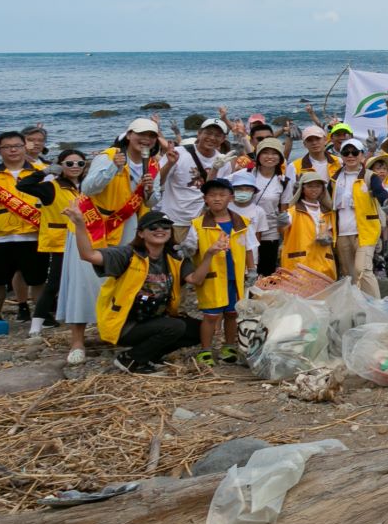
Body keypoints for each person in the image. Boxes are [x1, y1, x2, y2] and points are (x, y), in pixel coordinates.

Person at [64, 206, 196, 373]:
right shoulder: (127, 254)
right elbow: (88, 255)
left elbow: (195, 279)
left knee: (198, 330)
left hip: (155, 317)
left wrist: (210, 254)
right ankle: (130, 359)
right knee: (175, 327)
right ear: (141, 233)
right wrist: (80, 225)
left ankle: (149, 355)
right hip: (126, 324)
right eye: (153, 227)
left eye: (165, 227)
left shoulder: (176, 257)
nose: (160, 230)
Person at [181, 176, 253, 362]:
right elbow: (189, 248)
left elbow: (249, 247)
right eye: (212, 195)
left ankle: (229, 346)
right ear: (205, 199)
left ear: (231, 197)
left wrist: (252, 271)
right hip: (211, 277)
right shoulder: (198, 224)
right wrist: (187, 248)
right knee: (210, 315)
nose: (217, 199)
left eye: (222, 194)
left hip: (235, 276)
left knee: (232, 313)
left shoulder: (242, 222)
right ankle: (206, 350)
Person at [0, 129, 48, 324]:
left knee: (38, 279)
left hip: (33, 233)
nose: (12, 150)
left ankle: (42, 315)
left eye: (17, 146)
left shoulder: (39, 172)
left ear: (24, 147)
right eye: (7, 147)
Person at [22, 147, 86, 345]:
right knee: (54, 283)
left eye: (80, 163)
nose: (75, 167)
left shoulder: (89, 186)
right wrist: (45, 171)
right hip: (61, 240)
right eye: (69, 163)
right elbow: (23, 186)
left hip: (86, 240)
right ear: (61, 165)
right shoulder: (51, 187)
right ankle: (36, 325)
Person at [81, 118, 173, 247]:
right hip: (98, 221)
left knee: (124, 262)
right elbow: (87, 189)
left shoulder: (152, 165)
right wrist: (112, 168)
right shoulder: (109, 156)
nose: (146, 139)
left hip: (129, 221)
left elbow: (152, 202)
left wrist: (150, 189)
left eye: (152, 136)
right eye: (141, 134)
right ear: (129, 135)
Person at [328, 139, 385, 294]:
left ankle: (377, 307)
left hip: (365, 232)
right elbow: (326, 203)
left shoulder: (370, 176)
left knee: (362, 269)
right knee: (348, 274)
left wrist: (386, 202)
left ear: (362, 156)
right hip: (341, 234)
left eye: (355, 152)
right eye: (346, 152)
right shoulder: (334, 178)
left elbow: (380, 191)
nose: (350, 156)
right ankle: (358, 307)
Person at [161, 117, 232, 226]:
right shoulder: (177, 154)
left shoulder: (223, 161)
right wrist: (169, 164)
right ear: (199, 133)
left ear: (223, 139)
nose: (212, 138)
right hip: (175, 221)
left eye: (217, 135)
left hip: (205, 222)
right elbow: (158, 182)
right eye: (208, 133)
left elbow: (220, 192)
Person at [242, 139, 293, 276]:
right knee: (244, 267)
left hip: (270, 230)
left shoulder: (283, 181)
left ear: (280, 158)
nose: (269, 156)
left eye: (274, 153)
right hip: (245, 227)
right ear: (258, 156)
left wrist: (284, 229)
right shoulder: (246, 174)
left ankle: (262, 296)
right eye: (265, 152)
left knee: (267, 269)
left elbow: (284, 209)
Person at [279, 171, 339, 282]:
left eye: (317, 186)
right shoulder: (293, 211)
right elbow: (283, 229)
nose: (314, 189)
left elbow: (331, 231)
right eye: (310, 186)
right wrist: (282, 222)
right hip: (300, 264)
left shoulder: (327, 212)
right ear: (302, 189)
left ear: (322, 189)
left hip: (323, 262)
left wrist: (328, 237)